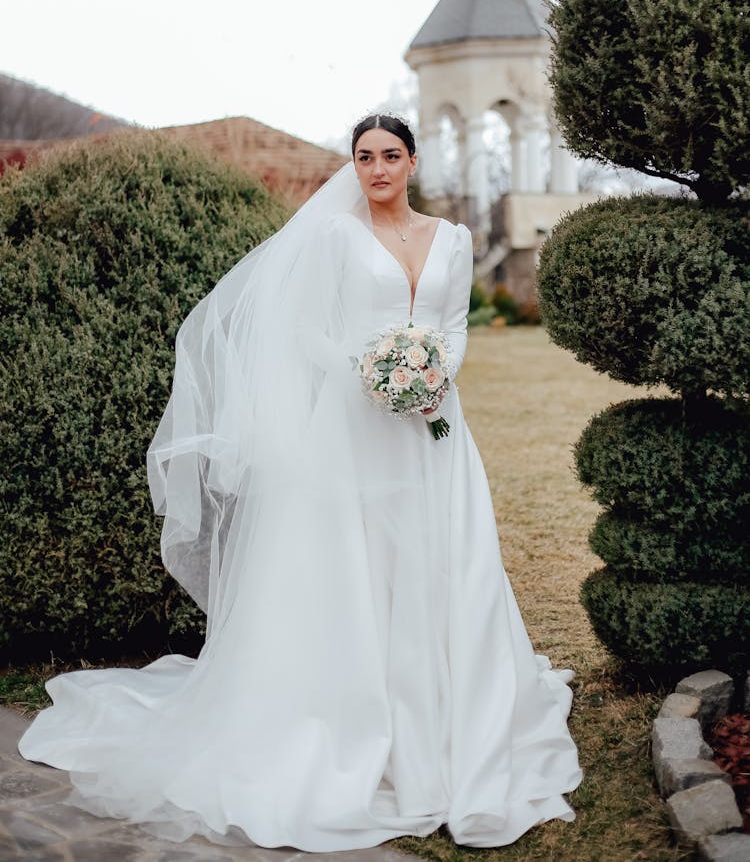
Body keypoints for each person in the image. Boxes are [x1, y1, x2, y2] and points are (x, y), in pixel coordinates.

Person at [18, 112, 582, 851]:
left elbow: (452, 323)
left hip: (439, 430)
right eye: (364, 156)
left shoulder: (453, 238)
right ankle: (361, 714)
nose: (376, 168)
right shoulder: (333, 238)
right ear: (356, 165)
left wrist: (434, 376)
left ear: (412, 162)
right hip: (353, 428)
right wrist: (371, 369)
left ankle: (458, 708)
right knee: (358, 563)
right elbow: (304, 331)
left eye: (389, 155)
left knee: (452, 560)